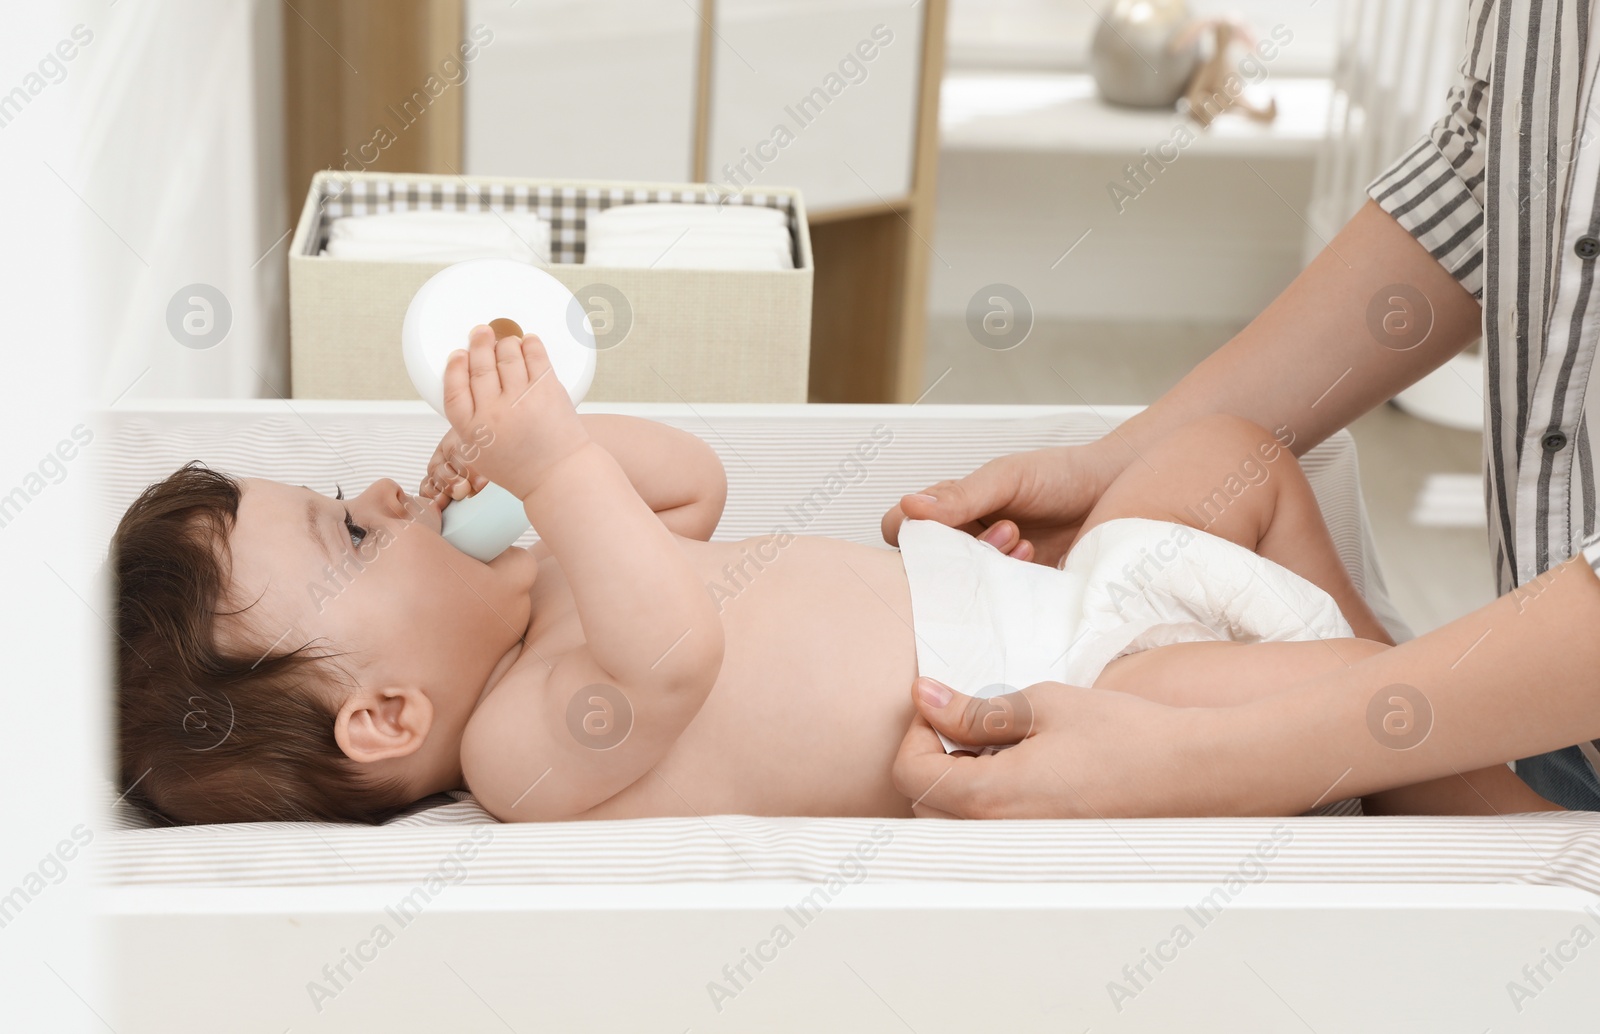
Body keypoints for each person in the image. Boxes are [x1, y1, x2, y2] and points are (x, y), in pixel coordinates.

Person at [113, 328, 1554, 825]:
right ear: (383, 718)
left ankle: (1387, 717)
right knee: (1368, 695)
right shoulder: (520, 746)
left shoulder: (554, 567)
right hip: (1081, 698)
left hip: (1062, 602)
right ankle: (1454, 793)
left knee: (1240, 451)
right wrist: (549, 465)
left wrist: (554, 450)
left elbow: (690, 487)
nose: (379, 495)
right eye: (350, 536)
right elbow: (675, 647)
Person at [884, 0, 1600, 818]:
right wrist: (1114, 466)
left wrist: (1195, 762)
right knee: (1224, 454)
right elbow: (1495, 170)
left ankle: (1483, 810)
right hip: (1534, 707)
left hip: (1521, 750)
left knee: (1250, 681)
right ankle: (1444, 781)